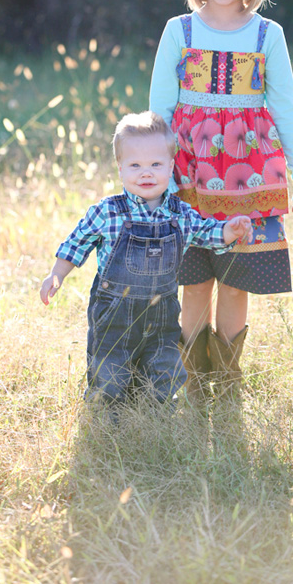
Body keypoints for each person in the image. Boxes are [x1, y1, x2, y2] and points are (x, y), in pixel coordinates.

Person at [150, 0, 293, 400]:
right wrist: (161, 172)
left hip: (252, 175)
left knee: (236, 279)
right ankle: (193, 377)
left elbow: (285, 108)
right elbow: (161, 112)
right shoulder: (180, 31)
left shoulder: (267, 35)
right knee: (194, 280)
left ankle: (226, 377)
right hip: (190, 178)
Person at [40, 111, 252, 408]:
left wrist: (230, 230)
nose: (146, 173)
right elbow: (77, 242)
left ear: (170, 167)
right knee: (110, 372)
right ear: (120, 169)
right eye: (135, 165)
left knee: (163, 371)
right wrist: (57, 274)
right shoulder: (107, 212)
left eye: (155, 164)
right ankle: (109, 418)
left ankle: (156, 418)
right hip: (114, 314)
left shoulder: (180, 213)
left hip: (161, 314)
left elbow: (207, 233)